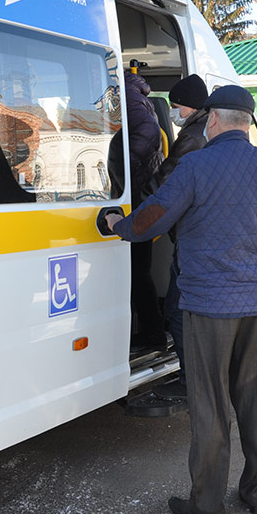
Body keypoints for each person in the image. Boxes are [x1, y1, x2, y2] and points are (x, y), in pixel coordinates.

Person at [106, 85, 257, 514]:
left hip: (207, 306)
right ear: (245, 122)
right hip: (255, 305)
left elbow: (151, 219)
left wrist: (118, 223)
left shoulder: (194, 166)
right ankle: (256, 492)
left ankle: (207, 504)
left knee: (210, 404)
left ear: (212, 120)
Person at [153, 74, 209, 397]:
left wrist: (135, 219)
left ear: (190, 106)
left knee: (177, 313)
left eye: (175, 107)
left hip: (189, 238)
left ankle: (191, 382)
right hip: (197, 236)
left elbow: (166, 186)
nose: (173, 112)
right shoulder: (201, 131)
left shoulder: (190, 139)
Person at [108, 69, 166, 352]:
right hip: (139, 195)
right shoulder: (136, 96)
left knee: (138, 272)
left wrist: (124, 170)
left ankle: (153, 334)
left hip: (135, 198)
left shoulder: (128, 96)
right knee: (138, 271)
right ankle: (150, 331)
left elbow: (148, 132)